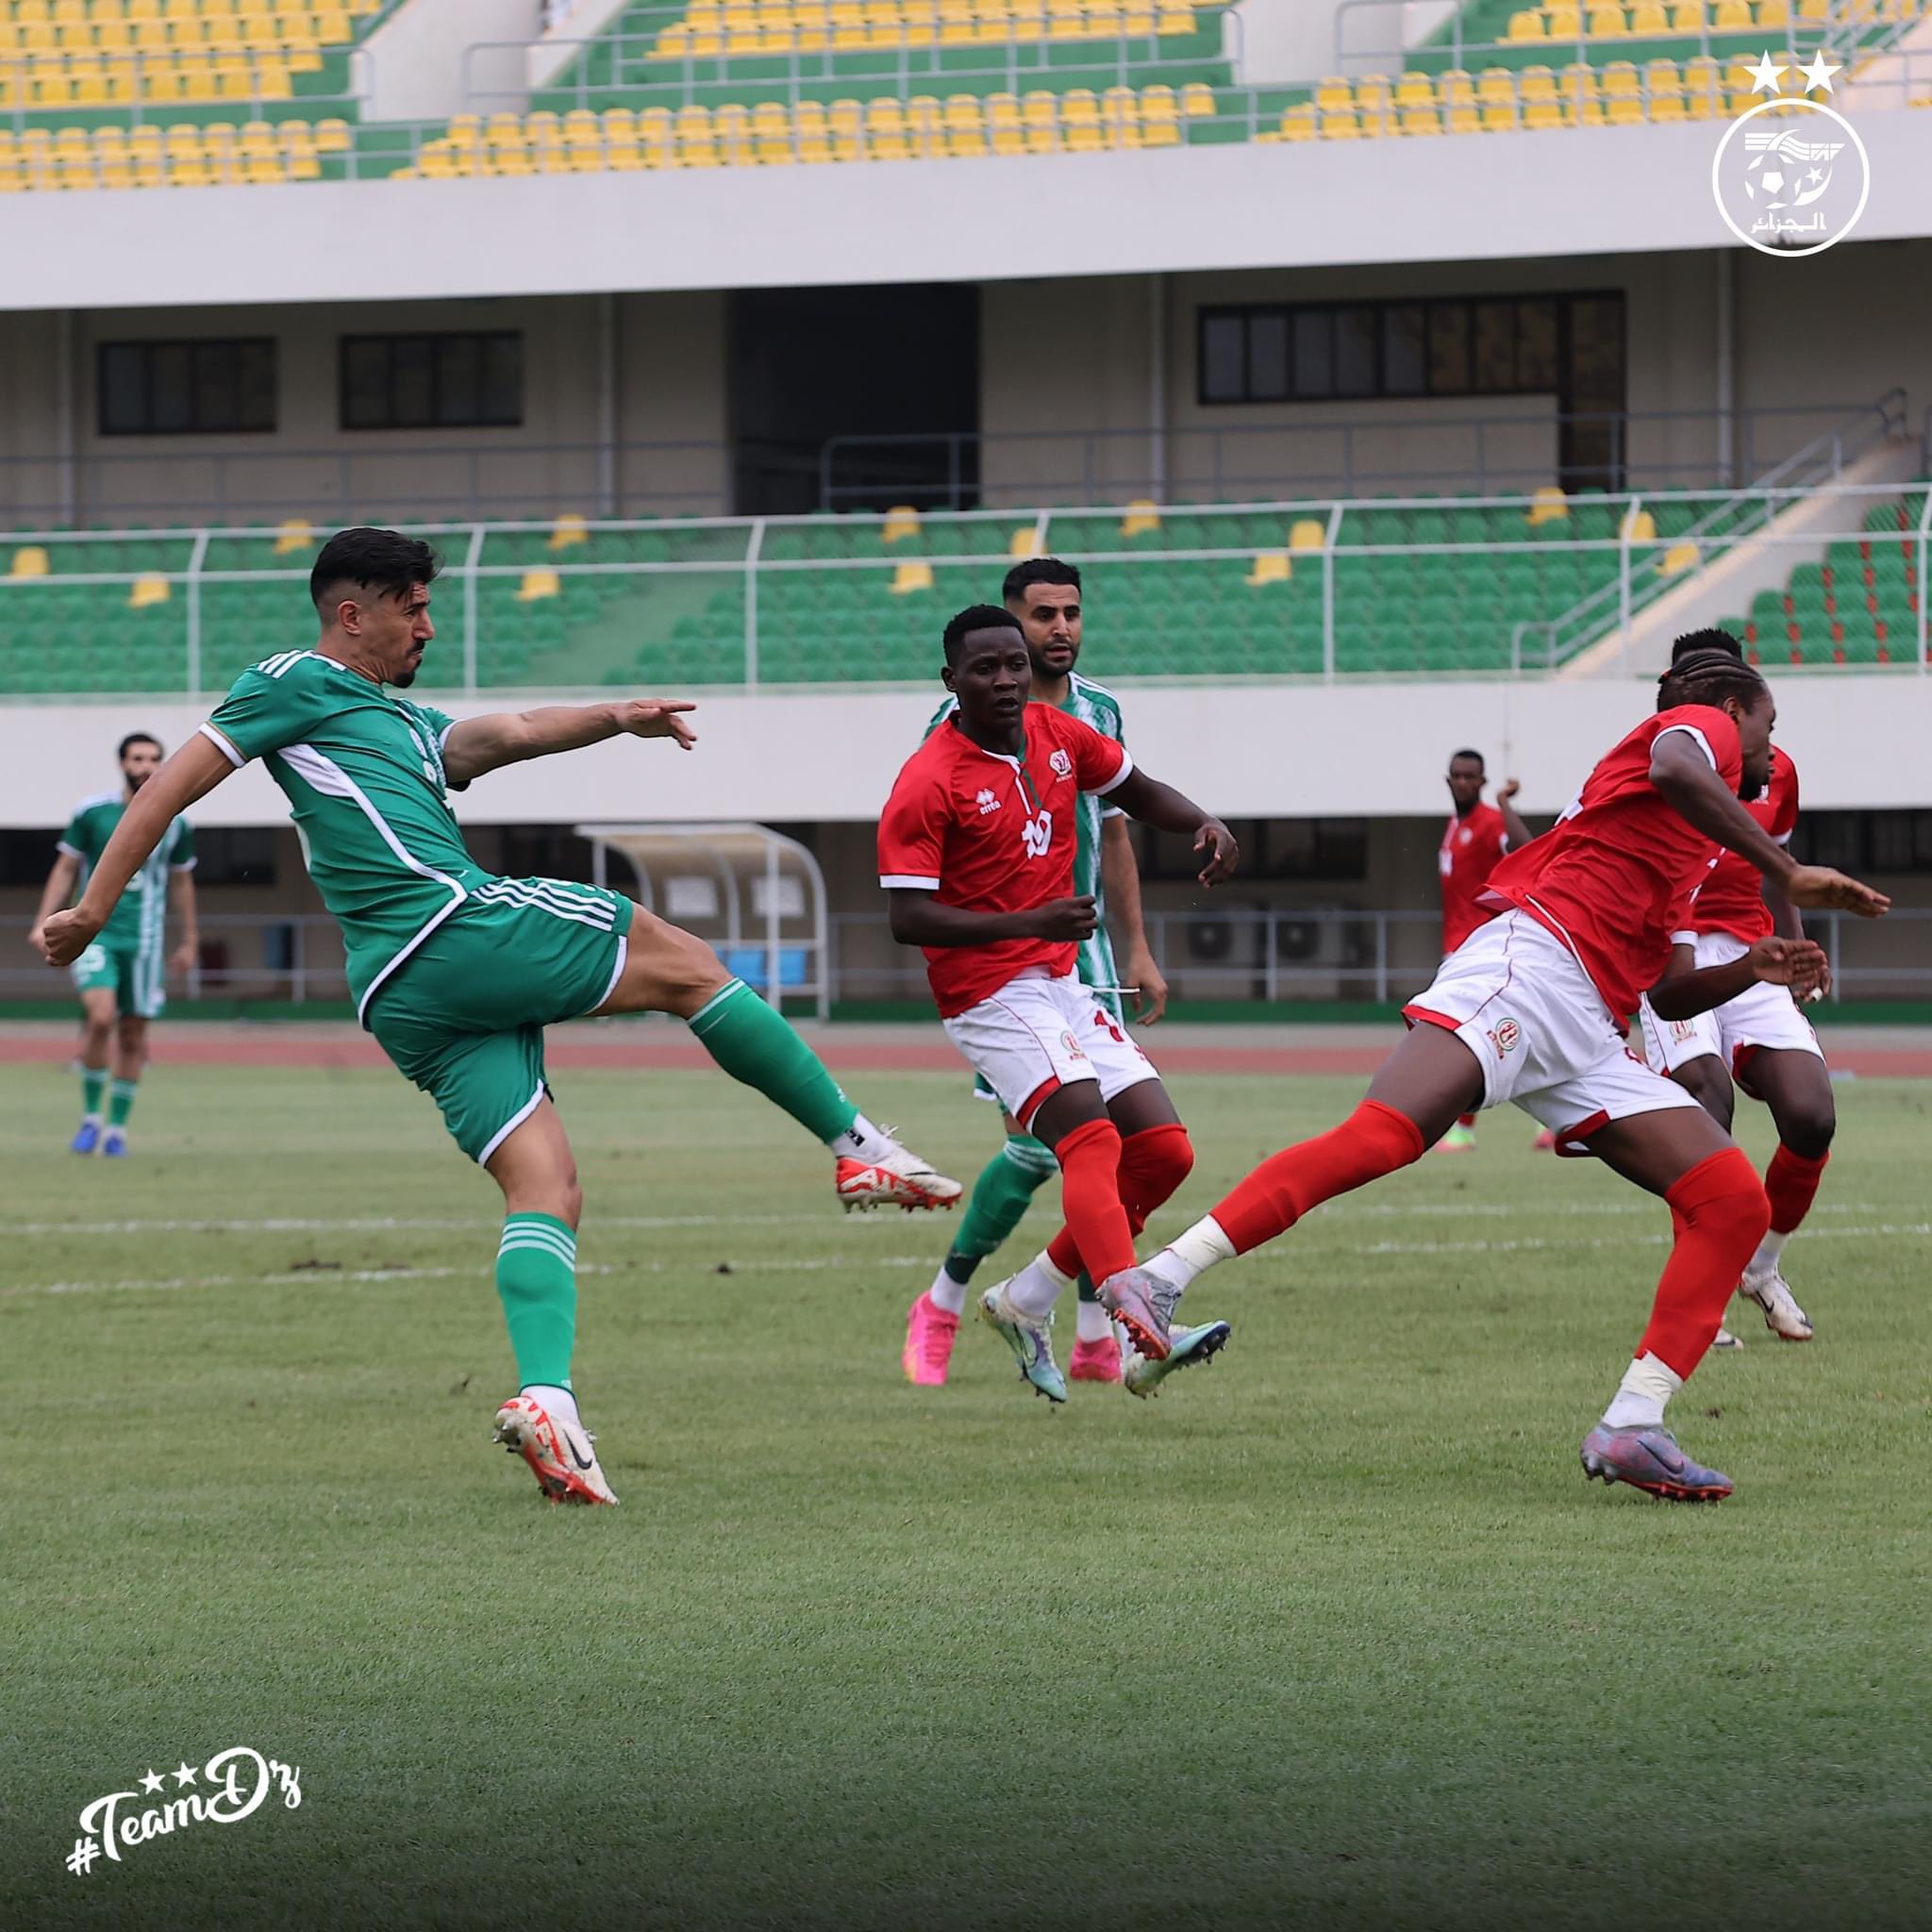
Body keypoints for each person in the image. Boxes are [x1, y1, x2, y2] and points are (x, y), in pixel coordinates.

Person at [39, 527, 960, 1509]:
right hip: (446, 925)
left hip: (406, 993)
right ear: (352, 614)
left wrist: (614, 715)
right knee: (684, 961)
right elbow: (177, 780)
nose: (429, 626)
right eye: (413, 608)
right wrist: (95, 905)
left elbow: (504, 733)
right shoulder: (289, 680)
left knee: (547, 1186)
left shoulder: (391, 720)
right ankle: (855, 1143)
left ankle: (549, 1403)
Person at [1094, 649, 1889, 1503]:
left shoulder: (1688, 836)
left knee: (1731, 1200)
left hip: (1587, 1026)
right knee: (1382, 1139)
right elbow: (1677, 760)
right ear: (1735, 709)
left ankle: (1632, 1425)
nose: (1774, 749)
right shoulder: (1694, 736)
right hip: (1531, 967)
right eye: (1771, 725)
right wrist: (1784, 866)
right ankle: (1158, 1278)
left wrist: (1754, 967)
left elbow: (1665, 988)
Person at [878, 605, 1238, 1404]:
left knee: (1165, 1151)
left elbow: (1138, 793)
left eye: (1013, 664)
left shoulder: (1061, 734)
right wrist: (1028, 921)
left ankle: (1027, 1298)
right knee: (1088, 1139)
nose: (1004, 680)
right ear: (951, 682)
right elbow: (907, 918)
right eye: (984, 669)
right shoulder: (930, 779)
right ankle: (1134, 1317)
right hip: (987, 993)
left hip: (1060, 982)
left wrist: (1203, 821)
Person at [902, 558, 1170, 1391]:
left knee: (1124, 1144)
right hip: (1003, 959)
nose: (1060, 629)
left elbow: (1117, 834)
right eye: (1042, 616)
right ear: (1009, 627)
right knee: (1038, 1151)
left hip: (1082, 952)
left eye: (1072, 614)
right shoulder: (958, 719)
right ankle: (945, 1300)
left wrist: (1138, 948)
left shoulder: (1101, 710)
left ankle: (1087, 1324)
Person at [1637, 629, 1833, 1348]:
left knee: (1811, 1115)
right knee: (1705, 1100)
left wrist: (1799, 942)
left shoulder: (1775, 770)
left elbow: (1777, 862)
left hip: (1755, 951)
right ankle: (1702, 1286)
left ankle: (1761, 1266)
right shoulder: (1665, 764)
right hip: (1674, 950)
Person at [28, 732, 198, 1157]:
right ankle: (90, 1119)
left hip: (145, 941)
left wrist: (190, 939)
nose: (146, 766)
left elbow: (181, 881)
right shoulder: (93, 813)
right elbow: (66, 867)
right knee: (101, 1017)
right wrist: (42, 920)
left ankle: (117, 1130)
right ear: (122, 763)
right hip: (96, 936)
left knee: (133, 1033)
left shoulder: (176, 821)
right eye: (138, 758)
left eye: (154, 759)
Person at [1435, 748, 1531, 1152]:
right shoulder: (1455, 825)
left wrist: (1505, 804)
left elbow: (1527, 849)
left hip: (1482, 950)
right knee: (1500, 1041)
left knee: (1464, 1039)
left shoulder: (1491, 823)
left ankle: (1462, 1128)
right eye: (1456, 775)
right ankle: (1562, 1125)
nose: (1462, 782)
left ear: (1483, 781)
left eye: (1470, 776)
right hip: (1456, 948)